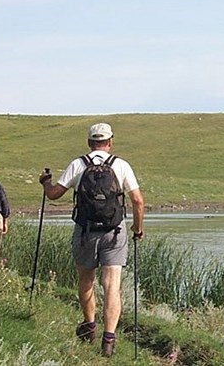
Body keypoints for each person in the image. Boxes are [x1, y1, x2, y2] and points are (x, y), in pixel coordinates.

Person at [39, 123, 144, 357]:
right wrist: (137, 229)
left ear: (89, 143)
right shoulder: (121, 165)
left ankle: (89, 325)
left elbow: (54, 194)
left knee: (86, 280)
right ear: (110, 142)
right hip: (114, 231)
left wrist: (46, 182)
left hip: (85, 231)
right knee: (111, 285)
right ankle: (108, 340)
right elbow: (137, 200)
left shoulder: (79, 164)